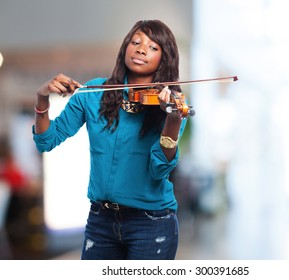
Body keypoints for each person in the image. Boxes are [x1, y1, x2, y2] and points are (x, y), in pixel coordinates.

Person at [32, 20, 188, 260]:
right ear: (126, 47)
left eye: (153, 47)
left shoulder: (171, 104)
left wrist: (173, 121)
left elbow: (159, 170)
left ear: (165, 58)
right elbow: (46, 141)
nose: (141, 49)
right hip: (101, 220)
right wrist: (42, 98)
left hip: (151, 222)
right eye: (135, 42)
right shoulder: (94, 92)